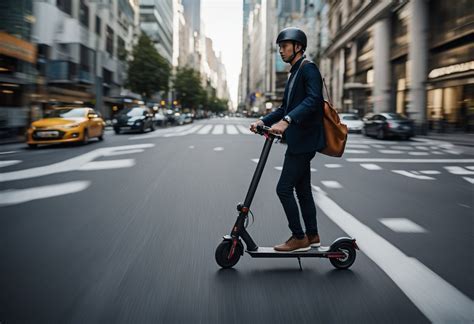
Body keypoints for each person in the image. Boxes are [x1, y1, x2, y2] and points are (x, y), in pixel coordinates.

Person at [250, 27, 326, 252]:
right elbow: (285, 107)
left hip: (305, 139)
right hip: (299, 140)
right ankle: (312, 235)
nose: (280, 51)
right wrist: (263, 121)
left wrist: (287, 121)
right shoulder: (294, 73)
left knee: (283, 189)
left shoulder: (308, 68)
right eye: (279, 47)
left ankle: (298, 236)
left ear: (298, 47)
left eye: (284, 46)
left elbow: (314, 100)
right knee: (302, 191)